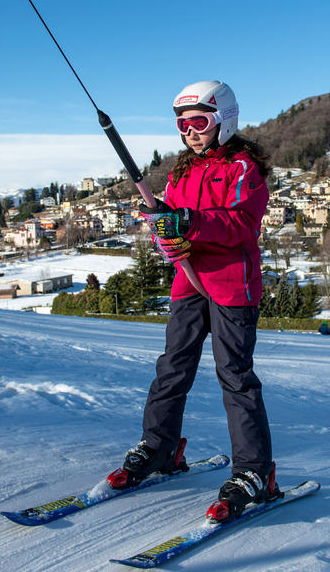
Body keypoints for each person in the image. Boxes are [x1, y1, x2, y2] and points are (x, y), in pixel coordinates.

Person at [107, 80, 281, 523]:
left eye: (198, 122)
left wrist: (188, 221)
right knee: (172, 366)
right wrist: (167, 229)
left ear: (223, 120)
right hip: (189, 282)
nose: (189, 132)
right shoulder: (182, 173)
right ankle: (160, 447)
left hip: (231, 286)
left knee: (235, 376)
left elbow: (240, 224)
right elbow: (176, 222)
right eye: (182, 124)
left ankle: (255, 472)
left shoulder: (244, 168)